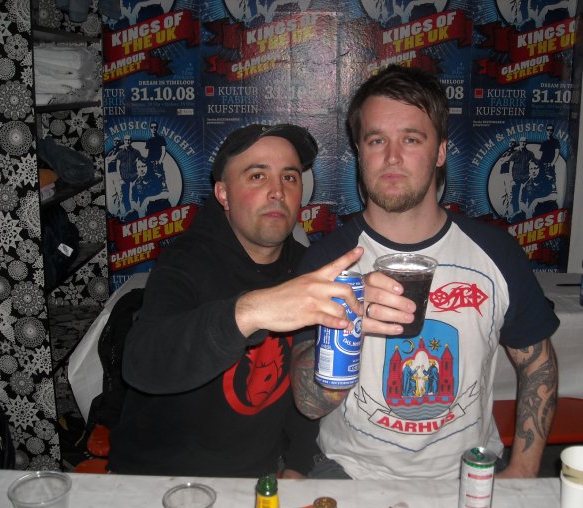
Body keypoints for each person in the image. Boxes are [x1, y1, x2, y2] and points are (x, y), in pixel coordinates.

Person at [291, 65, 559, 481]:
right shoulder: (328, 262)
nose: (392, 157)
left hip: (471, 471)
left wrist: (523, 469)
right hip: (353, 473)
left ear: (440, 152)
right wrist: (349, 322)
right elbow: (309, 404)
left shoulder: (496, 253)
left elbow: (537, 364)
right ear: (360, 152)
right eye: (376, 140)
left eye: (411, 139)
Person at [108, 123, 364, 478]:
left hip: (259, 477)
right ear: (224, 194)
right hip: (162, 478)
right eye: (258, 176)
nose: (277, 191)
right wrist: (250, 311)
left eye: (289, 177)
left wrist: (297, 463)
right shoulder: (186, 261)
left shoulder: (305, 267)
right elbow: (142, 363)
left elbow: (304, 377)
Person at [115, 134, 142, 216]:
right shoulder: (120, 153)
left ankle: (140, 212)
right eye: (126, 140)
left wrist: (139, 174)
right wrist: (120, 179)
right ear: (124, 141)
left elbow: (141, 162)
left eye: (129, 140)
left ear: (131, 141)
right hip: (124, 178)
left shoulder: (136, 152)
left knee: (137, 195)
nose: (127, 141)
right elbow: (117, 167)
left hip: (134, 177)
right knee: (125, 197)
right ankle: (129, 212)